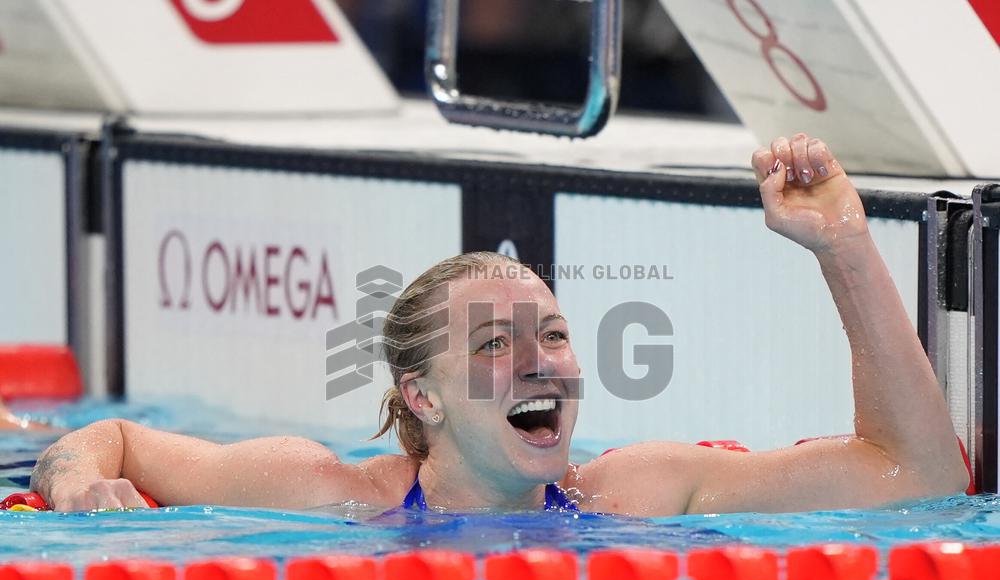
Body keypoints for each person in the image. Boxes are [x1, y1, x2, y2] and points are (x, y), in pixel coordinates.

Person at [30, 135, 970, 515]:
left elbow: (919, 480)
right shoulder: (332, 497)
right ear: (421, 396)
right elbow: (105, 436)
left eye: (553, 337)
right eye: (494, 346)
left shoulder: (638, 493)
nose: (540, 365)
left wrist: (842, 245)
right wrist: (77, 494)